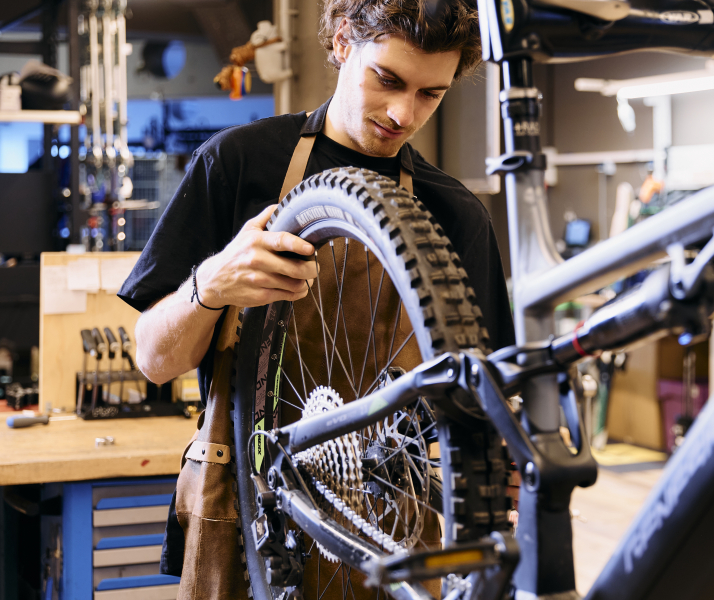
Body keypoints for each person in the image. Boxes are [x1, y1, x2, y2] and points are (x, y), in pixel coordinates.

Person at [117, 0, 515, 587]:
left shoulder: (454, 214)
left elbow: (484, 394)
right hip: (242, 509)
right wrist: (213, 283)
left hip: (384, 520)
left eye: (430, 94)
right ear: (345, 41)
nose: (403, 113)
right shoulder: (236, 163)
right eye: (389, 79)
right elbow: (153, 361)